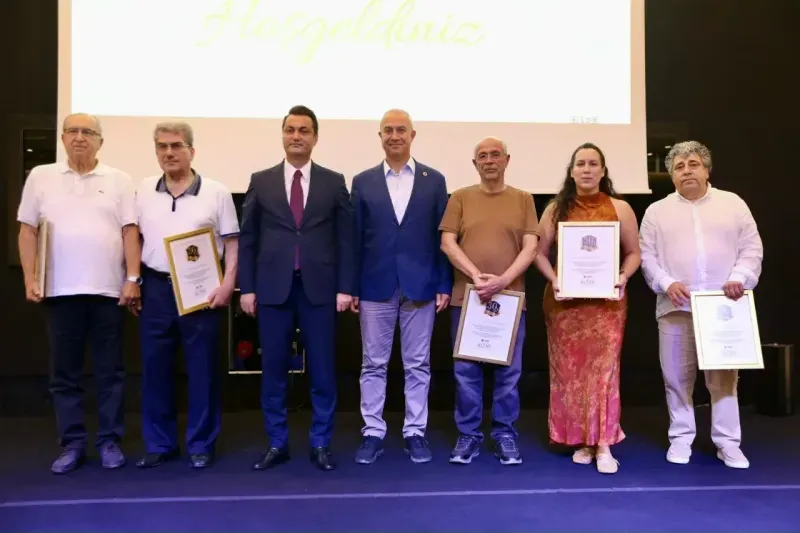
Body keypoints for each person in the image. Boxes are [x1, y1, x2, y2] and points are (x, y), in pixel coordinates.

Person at [16, 113, 140, 474]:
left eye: (88, 132)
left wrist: (133, 277)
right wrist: (29, 278)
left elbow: (130, 231)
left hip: (108, 292)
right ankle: (72, 443)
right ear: (63, 138)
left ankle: (109, 441)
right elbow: (27, 231)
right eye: (73, 131)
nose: (80, 137)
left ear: (101, 141)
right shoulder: (41, 177)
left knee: (110, 373)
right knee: (64, 374)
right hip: (59, 292)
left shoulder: (119, 179)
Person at [239, 105, 354, 471]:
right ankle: (277, 443)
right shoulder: (261, 180)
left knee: (322, 371)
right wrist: (247, 288)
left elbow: (346, 239)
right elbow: (248, 238)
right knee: (273, 371)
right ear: (282, 135)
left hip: (320, 290)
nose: (296, 136)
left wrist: (346, 287)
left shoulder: (334, 181)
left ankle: (321, 443)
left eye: (304, 130)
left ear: (315, 137)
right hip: (272, 290)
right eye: (290, 130)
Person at [639, 140, 763, 469]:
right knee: (676, 378)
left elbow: (752, 248)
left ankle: (728, 443)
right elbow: (647, 257)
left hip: (722, 309)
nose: (686, 171)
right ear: (671, 176)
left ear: (707, 170)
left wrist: (739, 277)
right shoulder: (656, 212)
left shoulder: (733, 204)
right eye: (678, 167)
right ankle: (681, 439)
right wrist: (667, 283)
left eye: (693, 164)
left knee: (724, 380)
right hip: (675, 307)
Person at [134, 122, 239, 469]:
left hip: (201, 292)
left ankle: (201, 444)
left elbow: (232, 243)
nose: (169, 152)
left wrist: (228, 284)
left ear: (192, 151)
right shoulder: (143, 190)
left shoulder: (217, 192)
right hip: (155, 289)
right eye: (162, 146)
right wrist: (131, 279)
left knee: (203, 370)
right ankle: (160, 443)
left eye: (176, 145)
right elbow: (133, 238)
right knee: (155, 370)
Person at [350, 109, 452, 465]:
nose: (395, 136)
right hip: (373, 284)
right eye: (388, 130)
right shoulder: (362, 181)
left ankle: (415, 431)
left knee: (418, 363)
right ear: (380, 136)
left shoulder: (434, 180)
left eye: (401, 130)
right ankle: (373, 432)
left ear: (413, 135)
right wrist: (351, 286)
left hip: (421, 285)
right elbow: (354, 239)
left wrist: (443, 282)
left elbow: (442, 238)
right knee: (373, 363)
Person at [533, 143, 640, 474]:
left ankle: (604, 442)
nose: (587, 169)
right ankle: (582, 440)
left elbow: (634, 253)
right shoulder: (555, 209)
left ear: (603, 171)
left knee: (604, 373)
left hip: (607, 306)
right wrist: (555, 280)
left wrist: (623, 277)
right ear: (572, 171)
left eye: (594, 163)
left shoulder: (620, 208)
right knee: (571, 375)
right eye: (580, 163)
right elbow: (539, 253)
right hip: (565, 305)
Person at [439, 136, 539, 465]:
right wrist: (477, 276)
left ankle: (504, 434)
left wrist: (503, 281)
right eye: (482, 156)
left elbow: (531, 248)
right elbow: (448, 243)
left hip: (510, 299)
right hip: (467, 299)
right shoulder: (460, 198)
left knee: (508, 373)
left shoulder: (523, 199)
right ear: (475, 164)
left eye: (496, 154)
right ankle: (468, 434)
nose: (489, 160)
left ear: (507, 160)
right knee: (466, 372)